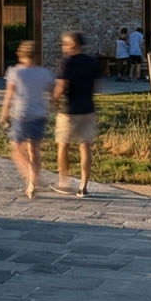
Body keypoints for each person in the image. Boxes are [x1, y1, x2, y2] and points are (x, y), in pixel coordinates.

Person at [0, 40, 54, 199]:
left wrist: (4, 113)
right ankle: (33, 180)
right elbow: (52, 92)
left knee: (17, 151)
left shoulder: (15, 72)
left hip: (21, 115)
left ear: (20, 54)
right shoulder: (44, 73)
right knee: (34, 150)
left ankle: (31, 177)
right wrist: (54, 104)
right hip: (39, 115)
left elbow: (9, 95)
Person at [53, 32, 101, 197]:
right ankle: (83, 186)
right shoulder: (92, 62)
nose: (63, 46)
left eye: (65, 43)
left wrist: (54, 99)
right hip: (88, 108)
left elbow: (61, 86)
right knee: (85, 146)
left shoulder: (66, 63)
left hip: (69, 110)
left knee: (63, 144)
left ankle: (64, 182)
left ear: (73, 44)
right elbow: (97, 87)